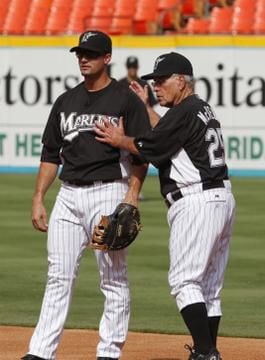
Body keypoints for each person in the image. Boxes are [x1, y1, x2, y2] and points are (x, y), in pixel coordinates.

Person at [94, 52, 236, 360]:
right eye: (153, 82)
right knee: (208, 287)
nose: (156, 86)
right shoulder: (198, 109)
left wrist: (120, 139)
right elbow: (167, 133)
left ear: (181, 80)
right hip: (220, 198)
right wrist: (145, 107)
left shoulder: (184, 111)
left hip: (196, 200)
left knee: (184, 281)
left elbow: (150, 148)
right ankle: (206, 350)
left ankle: (206, 353)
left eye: (161, 81)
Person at [21, 30, 150, 360]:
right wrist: (39, 197)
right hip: (68, 194)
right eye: (80, 52)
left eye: (91, 53)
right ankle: (40, 353)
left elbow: (141, 152)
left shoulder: (125, 100)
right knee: (58, 277)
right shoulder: (66, 101)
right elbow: (51, 154)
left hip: (108, 191)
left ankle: (108, 352)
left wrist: (132, 196)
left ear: (107, 58)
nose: (83, 57)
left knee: (112, 278)